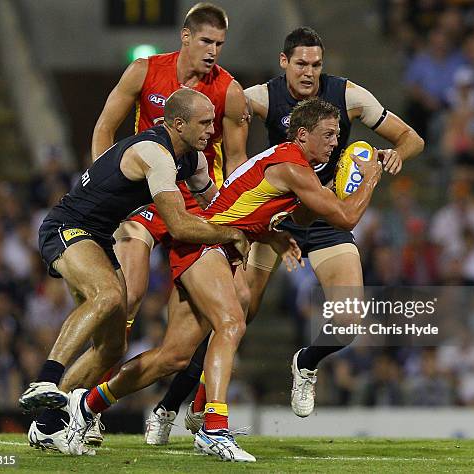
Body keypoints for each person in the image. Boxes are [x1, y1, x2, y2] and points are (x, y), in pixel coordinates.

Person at [64, 98, 383, 462]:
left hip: (209, 246)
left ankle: (86, 405)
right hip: (207, 243)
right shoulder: (292, 166)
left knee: (173, 357)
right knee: (231, 323)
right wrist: (369, 178)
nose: (334, 142)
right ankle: (213, 427)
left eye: (337, 134)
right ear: (302, 134)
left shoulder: (298, 165)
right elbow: (346, 217)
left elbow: (301, 217)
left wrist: (279, 232)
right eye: (328, 134)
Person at [148, 26, 424, 441]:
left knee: (348, 318)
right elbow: (228, 140)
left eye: (316, 64)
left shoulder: (348, 96)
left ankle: (306, 363)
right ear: (284, 62)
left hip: (326, 216)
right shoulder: (259, 96)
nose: (309, 73)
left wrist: (391, 157)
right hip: (275, 220)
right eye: (301, 64)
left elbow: (411, 139)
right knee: (235, 313)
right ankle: (173, 407)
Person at [20, 89, 250, 454]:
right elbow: (180, 226)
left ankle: (47, 426)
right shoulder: (153, 153)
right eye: (205, 123)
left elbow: (214, 206)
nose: (212, 130)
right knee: (108, 296)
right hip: (66, 226)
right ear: (178, 124)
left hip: (97, 237)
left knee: (113, 348)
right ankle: (45, 380)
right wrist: (233, 234)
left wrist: (260, 219)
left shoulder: (195, 160)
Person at [89, 2, 250, 446]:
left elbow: (236, 164)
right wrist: (104, 190)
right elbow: (106, 127)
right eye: (205, 41)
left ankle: (186, 404)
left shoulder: (230, 93)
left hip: (196, 207)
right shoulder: (144, 71)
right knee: (128, 296)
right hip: (145, 199)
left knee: (216, 318)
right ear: (185, 37)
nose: (213, 51)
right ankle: (84, 403)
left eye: (220, 43)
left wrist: (235, 220)